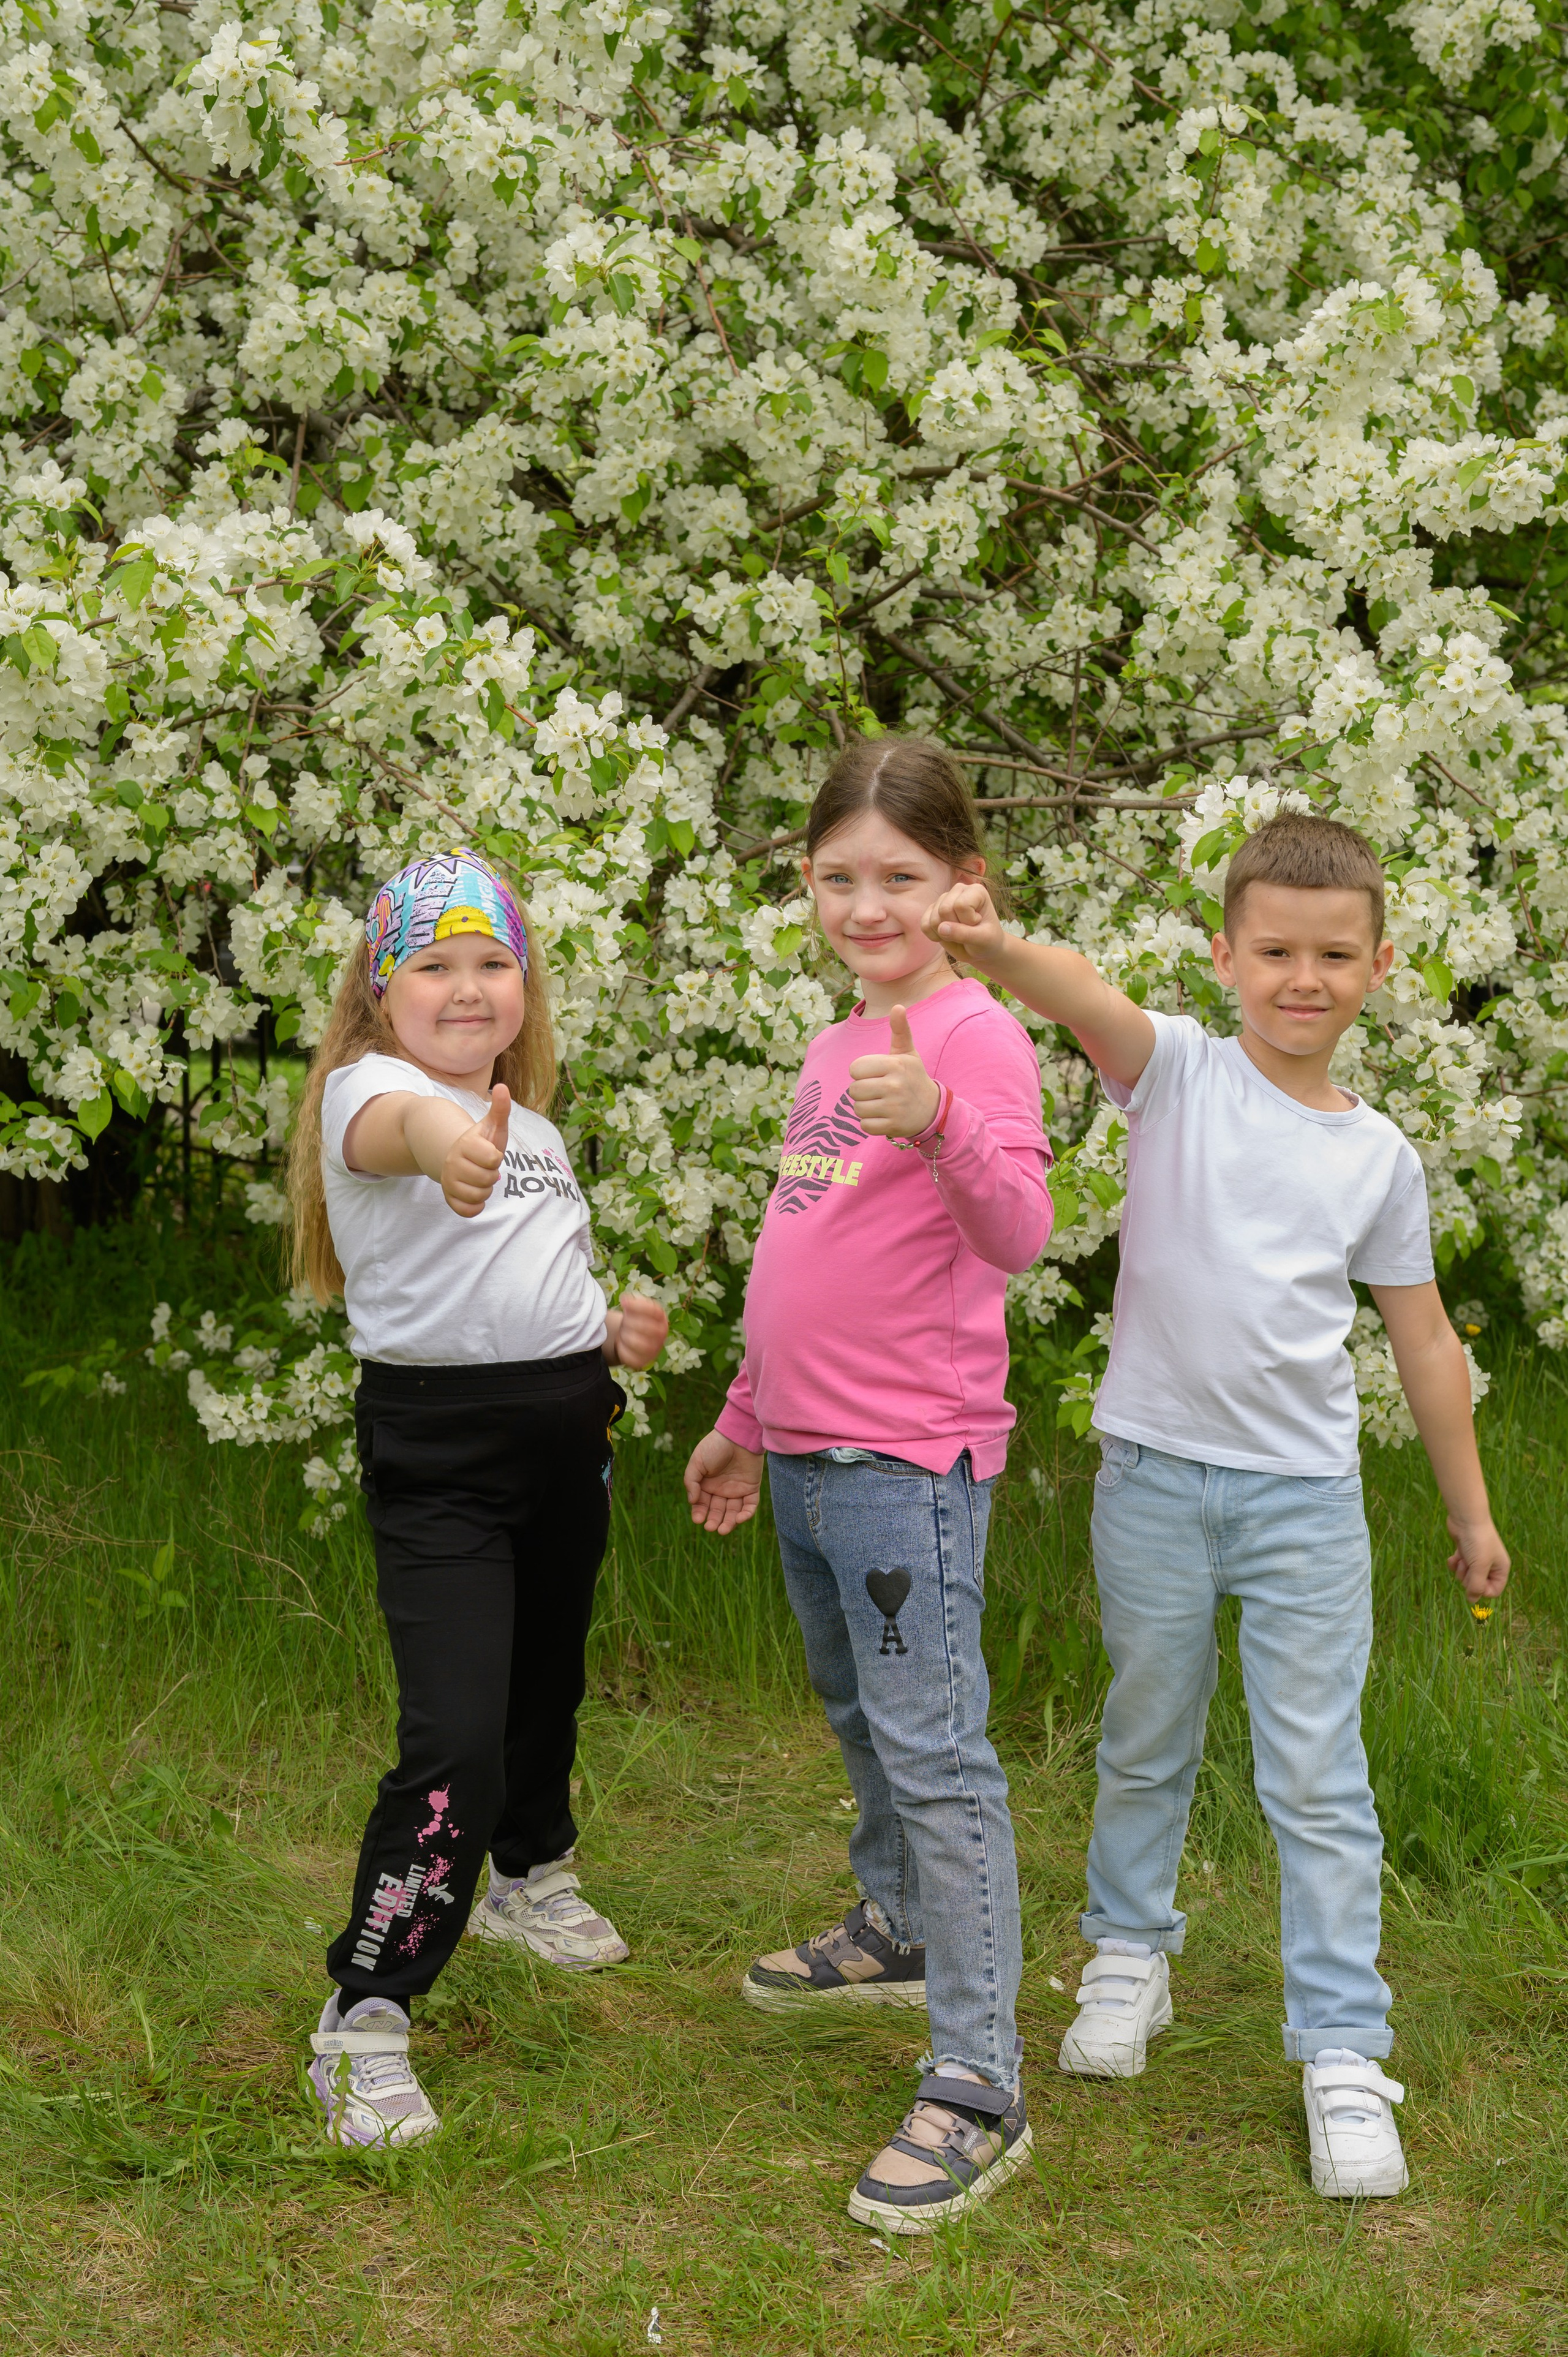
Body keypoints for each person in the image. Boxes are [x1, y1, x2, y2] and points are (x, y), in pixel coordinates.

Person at [926, 810, 1511, 2200]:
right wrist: (990, 942)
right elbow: (1078, 992)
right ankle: (1128, 1952)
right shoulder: (1175, 1074)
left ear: (1376, 966)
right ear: (1224, 956)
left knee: (1315, 1776)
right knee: (1147, 1731)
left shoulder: (1377, 1156)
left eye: (1329, 954)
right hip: (1153, 1482)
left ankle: (1343, 2052)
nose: (1298, 978)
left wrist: (1469, 1510)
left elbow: (1422, 1343)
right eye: (1272, 952)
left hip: (1304, 1503)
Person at [684, 738, 1054, 2233]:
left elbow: (1018, 1226)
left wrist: (943, 1123)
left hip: (909, 1466)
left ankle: (977, 2080)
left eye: (898, 876)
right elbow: (801, 1245)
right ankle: (899, 1923)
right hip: (806, 1457)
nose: (864, 902)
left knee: (935, 1751)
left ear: (959, 885)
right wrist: (741, 1414)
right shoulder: (833, 1048)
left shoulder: (972, 1037)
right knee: (857, 1714)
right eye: (838, 876)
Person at [287, 846, 668, 2147]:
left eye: (491, 963)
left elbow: (526, 1276)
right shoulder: (372, 1093)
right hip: (440, 1461)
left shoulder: (542, 1128)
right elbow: (415, 1138)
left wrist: (610, 1331)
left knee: (541, 1683)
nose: (465, 988)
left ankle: (529, 1873)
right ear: (380, 993)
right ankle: (367, 2014)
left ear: (525, 984)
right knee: (452, 1736)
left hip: (567, 1439)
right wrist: (452, 1147)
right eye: (432, 966)